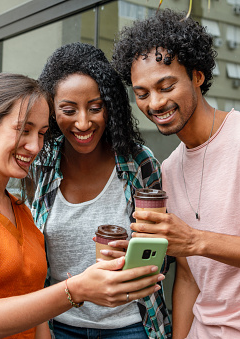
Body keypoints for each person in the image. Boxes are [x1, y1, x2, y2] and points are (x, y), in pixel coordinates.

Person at [111, 9, 240, 339]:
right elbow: (191, 276)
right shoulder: (169, 169)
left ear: (197, 76)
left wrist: (196, 241)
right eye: (142, 93)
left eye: (166, 86)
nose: (155, 103)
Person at [0, 73, 165, 339]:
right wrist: (76, 290)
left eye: (42, 133)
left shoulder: (21, 210)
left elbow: (38, 315)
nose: (35, 146)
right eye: (24, 130)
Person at [28, 42, 172, 339]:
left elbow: (165, 252)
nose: (83, 122)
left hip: (132, 324)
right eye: (69, 110)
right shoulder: (38, 162)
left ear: (111, 105)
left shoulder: (139, 162)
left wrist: (134, 260)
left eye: (95, 108)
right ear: (51, 110)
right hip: (59, 325)